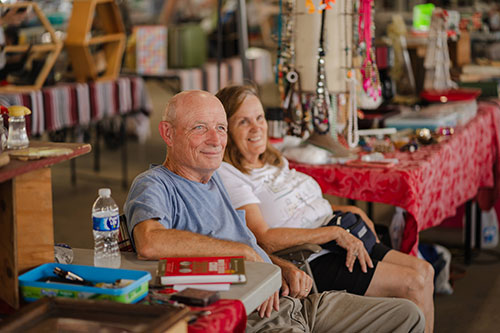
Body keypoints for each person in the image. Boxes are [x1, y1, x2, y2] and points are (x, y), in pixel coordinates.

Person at [124, 89, 425, 332]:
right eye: (200, 128)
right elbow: (151, 241)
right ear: (168, 133)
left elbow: (253, 245)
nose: (215, 140)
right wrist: (242, 253)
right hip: (255, 317)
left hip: (295, 303)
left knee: (408, 314)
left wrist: (278, 266)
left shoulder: (215, 181)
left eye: (220, 128)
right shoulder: (154, 184)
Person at [216, 85, 434, 333]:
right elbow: (264, 239)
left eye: (259, 118)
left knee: (425, 271)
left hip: (339, 233)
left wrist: (350, 209)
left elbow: (301, 206)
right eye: (243, 121)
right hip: (312, 255)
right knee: (413, 284)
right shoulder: (230, 174)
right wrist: (333, 233)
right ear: (226, 130)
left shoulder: (272, 159)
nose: (257, 128)